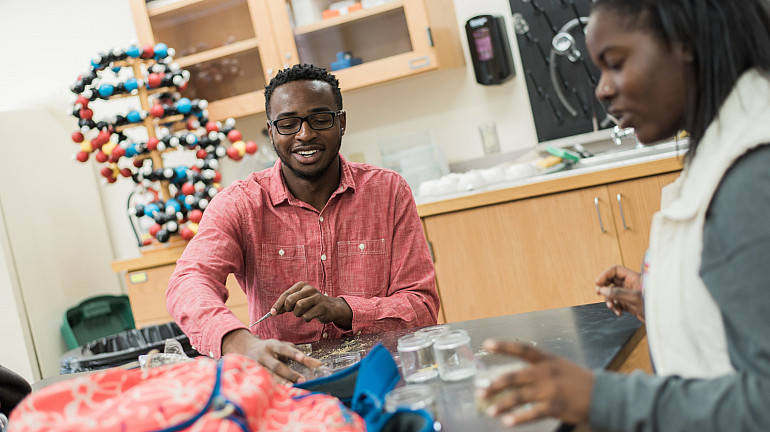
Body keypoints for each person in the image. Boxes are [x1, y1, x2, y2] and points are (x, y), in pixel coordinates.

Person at [478, 0, 770, 430]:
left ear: (684, 41)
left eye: (615, 63)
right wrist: (668, 298)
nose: (602, 89)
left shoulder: (750, 178)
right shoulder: (730, 142)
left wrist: (602, 397)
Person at [167, 64, 440, 383]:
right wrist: (238, 342)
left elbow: (421, 307)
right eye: (288, 124)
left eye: (320, 119)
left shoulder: (389, 192)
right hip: (286, 383)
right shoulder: (240, 204)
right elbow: (188, 282)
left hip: (384, 375)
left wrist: (343, 310)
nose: (305, 134)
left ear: (342, 122)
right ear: (271, 132)